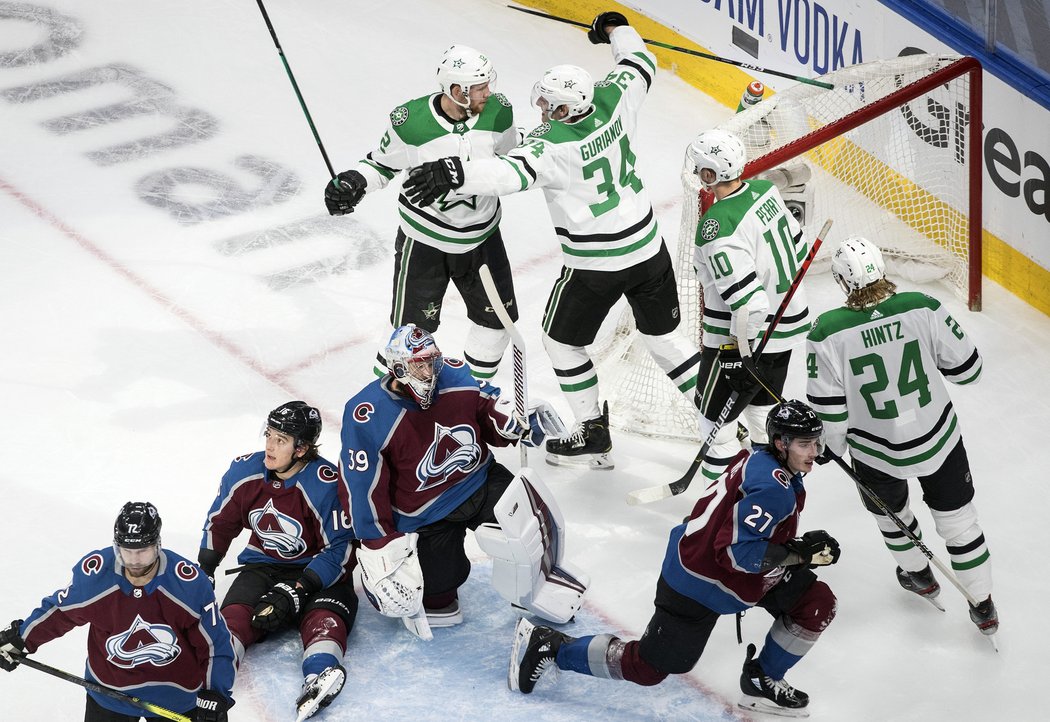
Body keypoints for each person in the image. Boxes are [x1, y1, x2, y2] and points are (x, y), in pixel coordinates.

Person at [403, 11, 701, 470]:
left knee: (560, 342)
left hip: (595, 265)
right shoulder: (616, 98)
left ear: (563, 109)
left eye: (547, 105)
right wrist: (615, 28)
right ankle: (723, 424)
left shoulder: (550, 146)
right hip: (647, 248)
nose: (541, 111)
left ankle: (592, 430)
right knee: (665, 340)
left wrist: (454, 169)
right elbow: (640, 59)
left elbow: (508, 174)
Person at [509, 400, 839, 718]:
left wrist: (797, 550)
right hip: (696, 582)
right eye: (806, 444)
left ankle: (761, 679)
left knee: (816, 603)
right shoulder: (773, 488)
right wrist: (798, 553)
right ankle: (553, 646)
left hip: (726, 571)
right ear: (781, 443)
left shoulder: (761, 459)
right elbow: (737, 554)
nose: (814, 452)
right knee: (648, 668)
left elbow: (744, 533)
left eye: (816, 443)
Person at [338, 324, 587, 640]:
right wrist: (376, 541)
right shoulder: (367, 414)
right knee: (439, 598)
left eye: (431, 361)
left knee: (532, 527)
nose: (428, 372)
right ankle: (435, 588)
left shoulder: (454, 375)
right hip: (425, 515)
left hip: (478, 481)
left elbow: (487, 407)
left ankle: (539, 586)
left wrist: (516, 421)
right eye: (418, 364)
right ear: (398, 367)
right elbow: (361, 486)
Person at [805, 236, 996, 634]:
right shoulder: (921, 307)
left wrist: (830, 449)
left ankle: (919, 576)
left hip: (875, 453)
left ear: (843, 281)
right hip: (938, 436)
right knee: (959, 521)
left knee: (893, 519)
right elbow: (969, 370)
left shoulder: (826, 333)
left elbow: (832, 415)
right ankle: (983, 603)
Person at [323, 44, 521, 383]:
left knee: (496, 326)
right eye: (480, 87)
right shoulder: (411, 122)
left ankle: (472, 397)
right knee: (407, 337)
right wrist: (356, 180)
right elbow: (381, 164)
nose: (489, 92)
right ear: (457, 91)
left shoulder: (499, 112)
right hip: (424, 245)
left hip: (483, 241)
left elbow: (513, 157)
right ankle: (389, 408)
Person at [0, 502, 236, 721]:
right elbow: (61, 612)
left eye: (143, 551)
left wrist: (215, 693)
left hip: (176, 695)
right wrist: (21, 639)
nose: (134, 560)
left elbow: (214, 644)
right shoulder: (97, 577)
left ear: (157, 545)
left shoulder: (188, 585)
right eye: (126, 551)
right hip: (109, 691)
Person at [197, 401, 358, 721]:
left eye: (281, 440)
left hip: (318, 574)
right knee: (234, 619)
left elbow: (341, 547)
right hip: (262, 567)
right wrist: (206, 567)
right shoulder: (244, 472)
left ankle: (319, 677)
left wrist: (296, 589)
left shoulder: (326, 483)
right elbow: (221, 522)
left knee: (324, 621)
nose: (269, 445)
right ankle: (209, 685)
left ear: (301, 449)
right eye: (269, 434)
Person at [686, 127, 812, 486]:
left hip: (742, 340)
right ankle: (770, 488)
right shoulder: (765, 191)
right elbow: (799, 246)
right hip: (785, 331)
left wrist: (740, 354)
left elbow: (750, 305)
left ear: (710, 175)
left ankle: (720, 502)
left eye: (700, 169)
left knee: (715, 423)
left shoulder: (717, 226)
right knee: (763, 416)